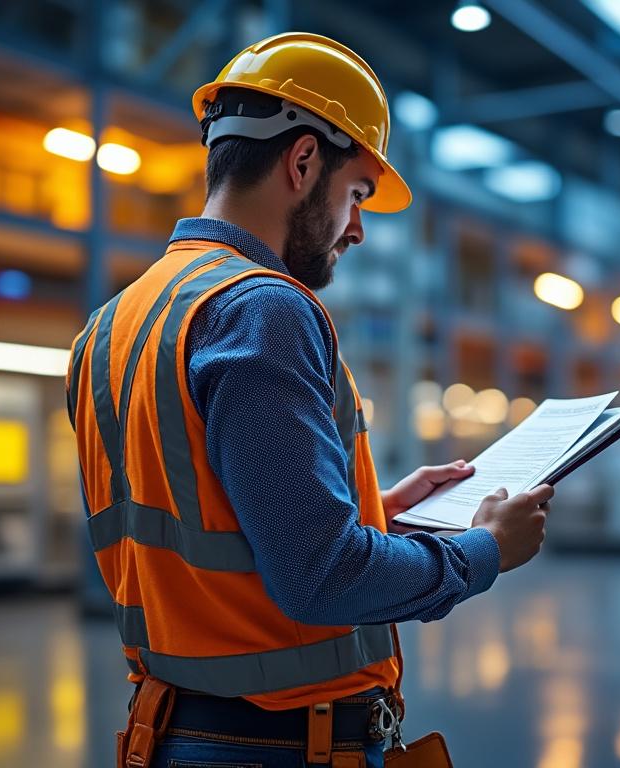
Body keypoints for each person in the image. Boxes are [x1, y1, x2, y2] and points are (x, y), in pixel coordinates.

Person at [66, 32, 553, 768]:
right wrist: (483, 552)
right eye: (356, 194)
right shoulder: (263, 308)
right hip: (279, 746)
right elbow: (320, 577)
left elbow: (213, 526)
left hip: (171, 733)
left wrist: (371, 511)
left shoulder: (113, 325)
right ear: (301, 162)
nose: (357, 228)